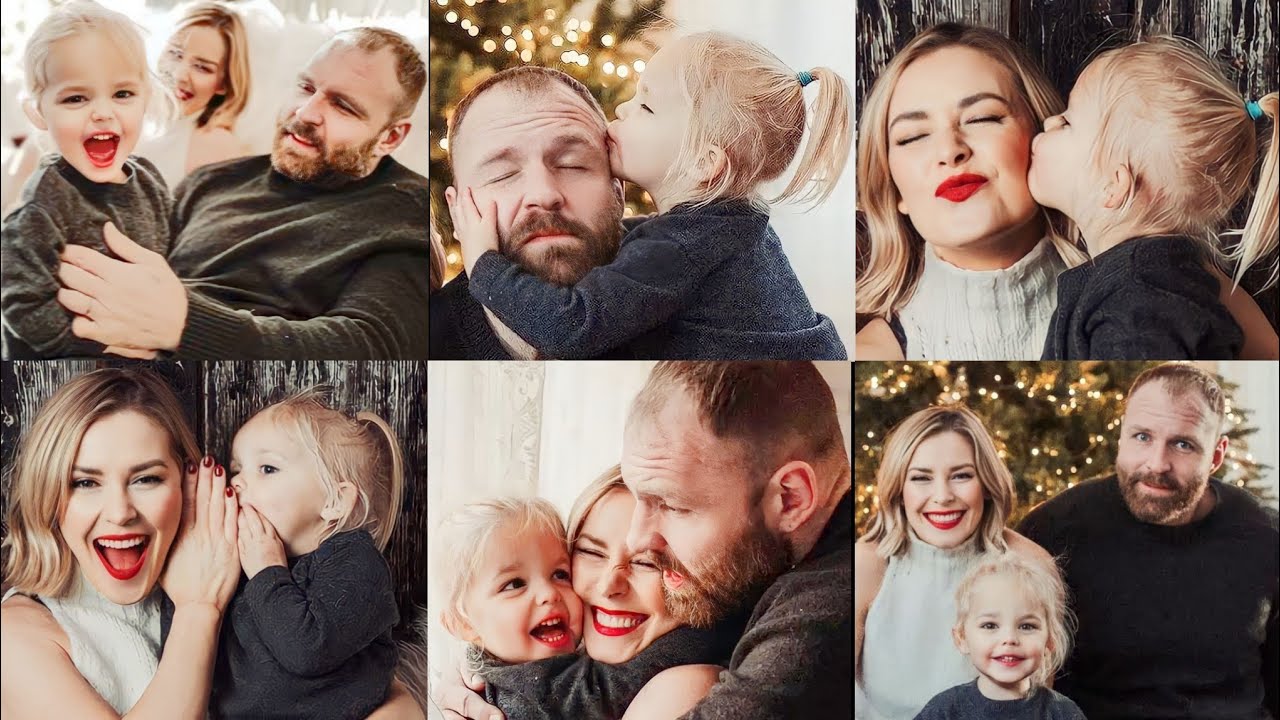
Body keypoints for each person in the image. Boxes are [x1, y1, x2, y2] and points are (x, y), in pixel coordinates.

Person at [854, 22, 1279, 361]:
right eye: (912, 137)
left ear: (1038, 131)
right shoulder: (865, 356)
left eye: (982, 117)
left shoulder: (1186, 285)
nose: (950, 150)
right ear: (894, 189)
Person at [449, 32, 848, 360]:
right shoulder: (731, 229)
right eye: (502, 173)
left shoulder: (682, 247)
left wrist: (484, 265)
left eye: (646, 106)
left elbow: (571, 327)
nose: (621, 108)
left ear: (704, 163)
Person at [52, 26, 429, 359]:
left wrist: (185, 324)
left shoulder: (403, 213)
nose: (307, 112)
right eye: (306, 87)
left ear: (390, 137)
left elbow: (371, 344)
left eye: (343, 106)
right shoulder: (212, 181)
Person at [1017, 363, 1279, 718]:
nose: (1157, 464)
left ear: (1216, 456)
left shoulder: (1266, 537)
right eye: (1142, 437)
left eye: (1183, 445)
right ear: (1122, 437)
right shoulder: (1050, 531)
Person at [1, 368, 240, 717]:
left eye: (146, 479)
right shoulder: (13, 634)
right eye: (85, 483)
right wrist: (199, 611)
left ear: (187, 486)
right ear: (48, 496)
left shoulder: (245, 596)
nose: (120, 512)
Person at [162, 388, 406, 719]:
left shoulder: (357, 562)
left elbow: (308, 651)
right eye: (237, 468)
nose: (238, 483)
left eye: (267, 469)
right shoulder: (242, 564)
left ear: (335, 501)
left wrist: (267, 571)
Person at [1033, 37, 1276, 359]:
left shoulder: (1139, 301)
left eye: (1067, 122)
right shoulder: (1156, 279)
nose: (1050, 121)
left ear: (1113, 186)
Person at [432, 470, 724, 719]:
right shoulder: (529, 693)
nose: (549, 594)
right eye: (592, 552)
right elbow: (618, 684)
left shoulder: (688, 687)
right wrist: (716, 623)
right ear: (464, 624)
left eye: (559, 574)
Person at [855, 404, 1053, 719]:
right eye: (921, 478)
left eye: (961, 475)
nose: (943, 495)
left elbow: (1033, 708)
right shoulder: (867, 566)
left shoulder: (1029, 564)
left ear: (987, 484)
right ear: (898, 491)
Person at [1, 1, 172, 358]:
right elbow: (22, 305)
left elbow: (172, 262)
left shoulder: (150, 183)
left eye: (122, 94)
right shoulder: (42, 205)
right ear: (38, 113)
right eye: (76, 98)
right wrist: (101, 349)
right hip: (69, 362)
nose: (103, 113)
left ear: (145, 99)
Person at [914, 552, 1085, 719]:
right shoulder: (944, 711)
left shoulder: (1063, 713)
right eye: (990, 625)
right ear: (962, 638)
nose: (1009, 639)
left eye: (1026, 626)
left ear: (1050, 640)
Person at [143, 0, 253, 187]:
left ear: (224, 84)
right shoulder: (124, 108)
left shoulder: (217, 144)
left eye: (202, 67)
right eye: (176, 54)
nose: (179, 75)